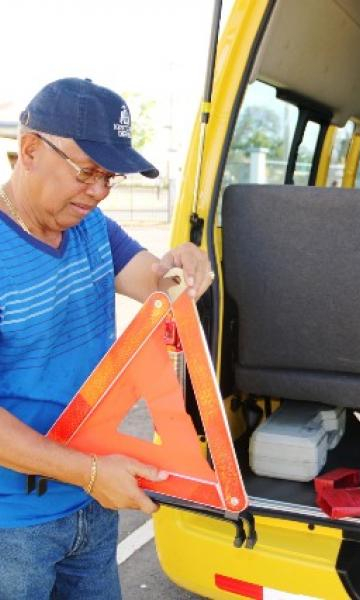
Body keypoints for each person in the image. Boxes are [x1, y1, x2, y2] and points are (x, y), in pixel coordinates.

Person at [0, 78, 214, 599]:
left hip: (94, 501)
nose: (98, 191)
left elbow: (152, 280)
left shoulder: (91, 228)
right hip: (13, 526)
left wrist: (181, 269)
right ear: (30, 150)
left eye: (109, 177)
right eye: (87, 172)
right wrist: (92, 471)